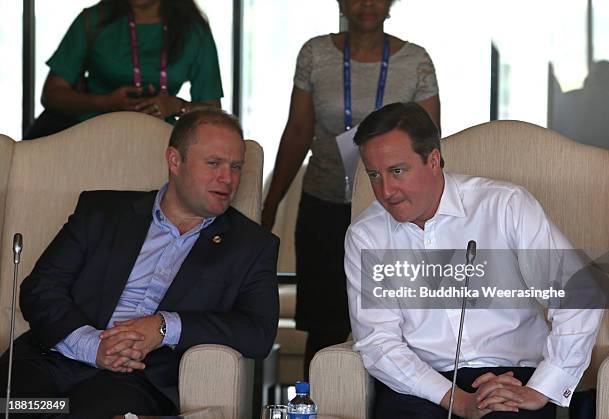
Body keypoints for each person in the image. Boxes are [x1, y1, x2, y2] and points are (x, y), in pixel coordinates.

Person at [0, 109, 279, 418]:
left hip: (136, 380)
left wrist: (164, 326)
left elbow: (258, 333)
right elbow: (40, 288)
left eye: (236, 167)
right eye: (213, 163)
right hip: (53, 359)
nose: (227, 179)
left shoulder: (251, 245)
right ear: (174, 161)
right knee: (18, 411)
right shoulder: (102, 212)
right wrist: (92, 347)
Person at [344, 102, 603, 418]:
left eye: (397, 171)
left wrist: (542, 388)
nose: (386, 190)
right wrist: (456, 400)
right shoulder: (366, 235)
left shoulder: (504, 206)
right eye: (374, 175)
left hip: (510, 378)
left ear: (434, 160)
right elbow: (378, 343)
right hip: (422, 385)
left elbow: (579, 294)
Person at [261, 0, 440, 377]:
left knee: (394, 320)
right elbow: (297, 132)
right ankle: (316, 406)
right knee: (323, 325)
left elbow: (427, 143)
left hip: (392, 208)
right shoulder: (315, 53)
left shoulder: (416, 61)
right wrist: (271, 202)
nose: (367, 5)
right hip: (325, 204)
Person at [25, 0, 223, 139]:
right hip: (90, 138)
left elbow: (212, 109)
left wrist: (177, 106)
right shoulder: (93, 20)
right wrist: (106, 102)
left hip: (160, 140)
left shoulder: (194, 29)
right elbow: (51, 94)